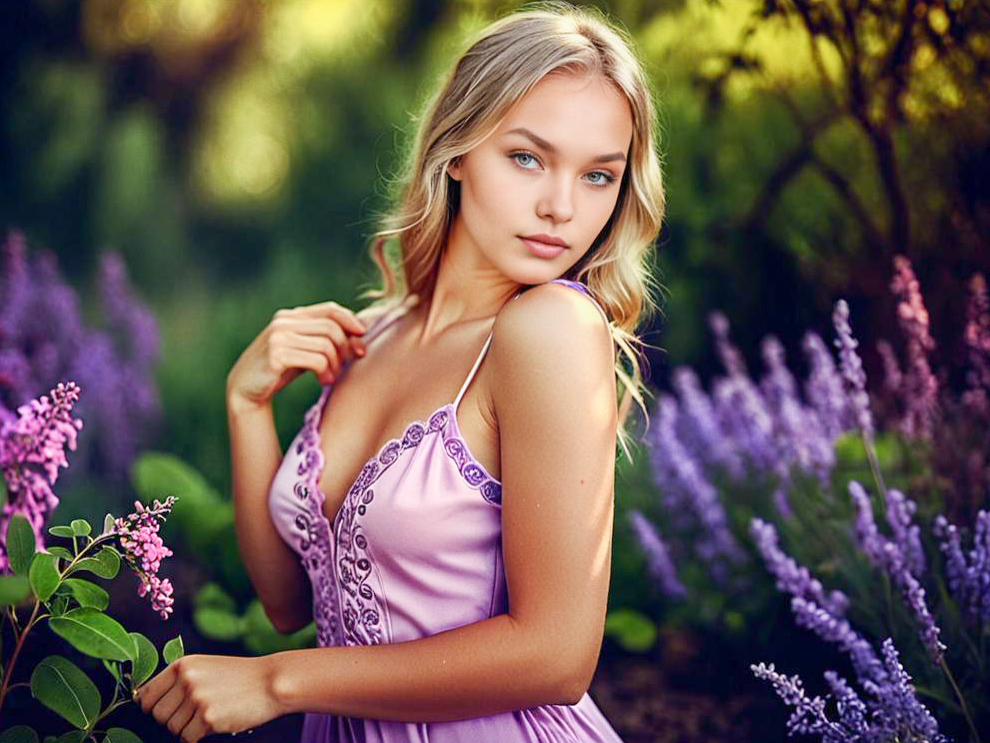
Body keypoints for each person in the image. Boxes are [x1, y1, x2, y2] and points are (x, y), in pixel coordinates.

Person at [134, 2, 663, 741]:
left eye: (599, 176)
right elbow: (290, 601)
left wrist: (273, 680)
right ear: (456, 150)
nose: (561, 208)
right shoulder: (378, 332)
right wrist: (246, 404)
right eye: (527, 157)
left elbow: (557, 655)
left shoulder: (551, 329)